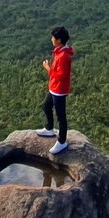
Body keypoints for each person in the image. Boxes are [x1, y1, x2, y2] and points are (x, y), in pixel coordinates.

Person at [36, 26, 72, 155]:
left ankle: (62, 142)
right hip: (54, 87)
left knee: (61, 116)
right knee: (46, 107)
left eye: (53, 37)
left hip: (59, 89)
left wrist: (48, 68)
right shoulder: (60, 51)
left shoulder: (63, 56)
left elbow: (61, 76)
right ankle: (49, 129)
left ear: (59, 40)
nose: (51, 39)